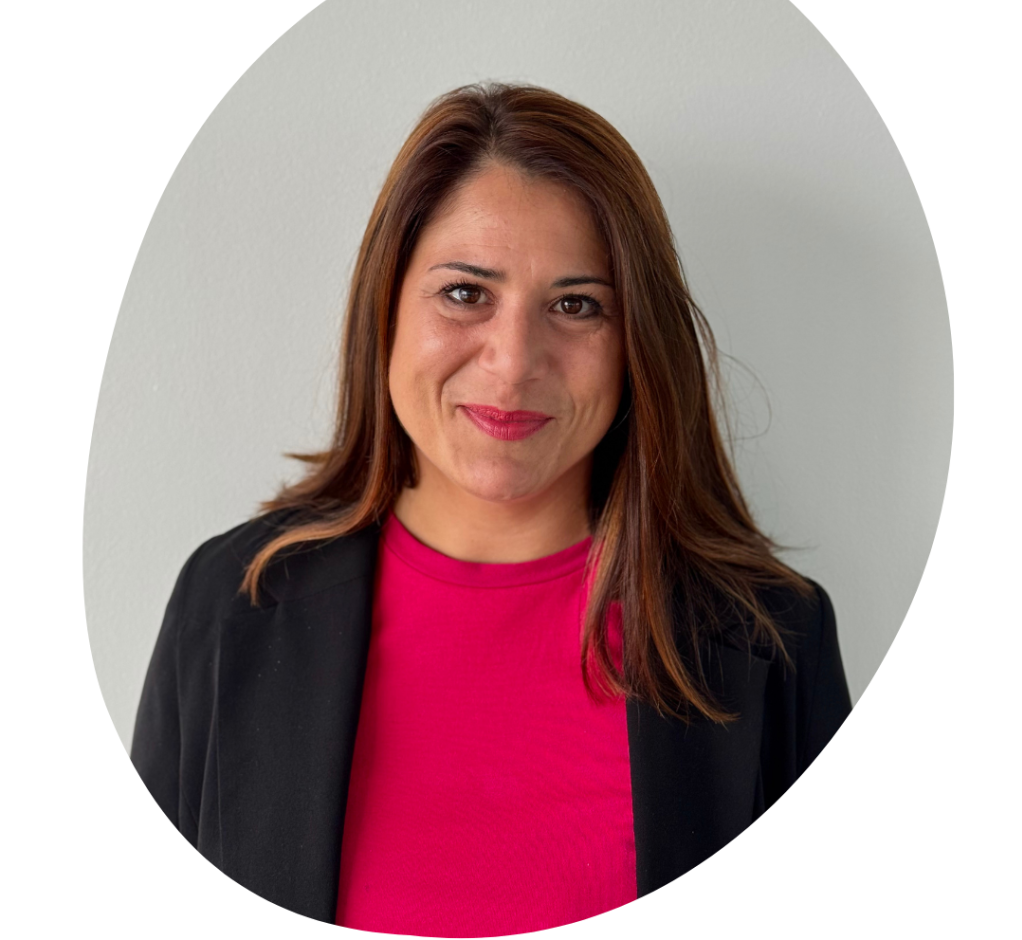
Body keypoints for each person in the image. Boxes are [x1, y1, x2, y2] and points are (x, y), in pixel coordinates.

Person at [131, 82, 851, 936]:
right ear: (385, 306)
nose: (513, 364)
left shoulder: (770, 641)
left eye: (576, 305)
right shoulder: (231, 606)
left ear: (636, 343)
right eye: (467, 293)